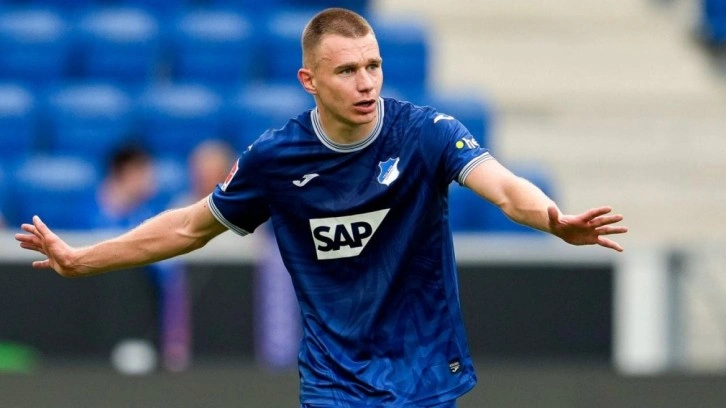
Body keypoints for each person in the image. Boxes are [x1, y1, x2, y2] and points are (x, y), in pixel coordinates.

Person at [15, 8, 628, 407]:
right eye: (348, 70)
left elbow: (505, 187)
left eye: (374, 66)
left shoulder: (427, 133)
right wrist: (85, 258)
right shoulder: (275, 159)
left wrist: (552, 219)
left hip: (424, 373)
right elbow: (188, 227)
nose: (367, 83)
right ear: (310, 81)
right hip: (335, 384)